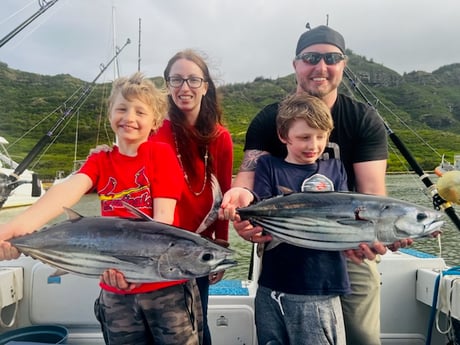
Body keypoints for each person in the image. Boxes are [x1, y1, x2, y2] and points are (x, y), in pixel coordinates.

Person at [220, 25, 411, 345]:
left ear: (343, 64)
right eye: (310, 57)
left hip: (347, 247)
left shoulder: (363, 118)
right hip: (285, 247)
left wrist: (377, 234)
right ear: (295, 64)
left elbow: (373, 195)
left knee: (362, 336)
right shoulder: (271, 119)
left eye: (331, 58)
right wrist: (241, 213)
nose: (320, 66)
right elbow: (247, 182)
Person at [0, 72, 203, 345]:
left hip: (165, 289)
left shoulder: (161, 156)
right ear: (110, 114)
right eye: (121, 109)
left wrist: (138, 272)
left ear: (154, 122)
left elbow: (162, 225)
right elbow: (66, 191)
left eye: (140, 112)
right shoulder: (99, 160)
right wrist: (16, 231)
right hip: (114, 291)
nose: (129, 117)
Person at [250, 92, 351, 344]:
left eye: (321, 137)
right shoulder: (268, 166)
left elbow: (347, 216)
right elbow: (259, 211)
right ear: (284, 136)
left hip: (320, 287)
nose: (313, 145)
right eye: (304, 137)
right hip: (271, 284)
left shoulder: (335, 169)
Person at [150, 49, 233, 345]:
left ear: (205, 86)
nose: (185, 88)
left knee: (197, 325)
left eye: (193, 80)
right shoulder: (154, 129)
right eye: (177, 79)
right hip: (158, 245)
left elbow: (223, 195)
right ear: (168, 85)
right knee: (162, 324)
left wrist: (220, 248)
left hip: (198, 248)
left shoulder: (220, 137)